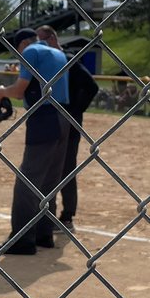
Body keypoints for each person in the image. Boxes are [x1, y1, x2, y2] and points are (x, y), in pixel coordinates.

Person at [0, 27, 70, 256]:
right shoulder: (58, 53)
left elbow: (18, 91)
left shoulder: (31, 52)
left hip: (43, 117)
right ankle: (44, 234)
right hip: (64, 116)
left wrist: (1, 92)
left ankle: (22, 239)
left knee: (27, 180)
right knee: (49, 180)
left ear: (23, 43)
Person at [35, 26, 98, 234]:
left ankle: (67, 216)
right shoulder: (47, 61)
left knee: (66, 168)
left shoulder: (68, 60)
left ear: (53, 38)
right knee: (49, 166)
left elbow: (92, 87)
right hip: (51, 121)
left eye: (42, 40)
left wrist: (74, 110)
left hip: (69, 122)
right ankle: (46, 213)